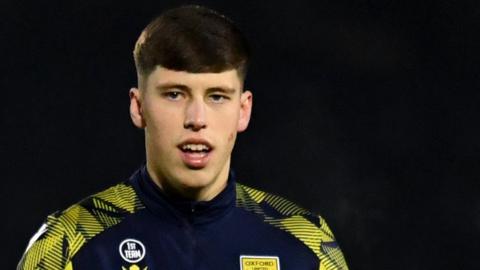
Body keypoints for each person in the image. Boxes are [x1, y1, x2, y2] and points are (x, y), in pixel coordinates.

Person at [18, 5, 348, 270]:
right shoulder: (68, 244)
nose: (197, 120)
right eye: (174, 94)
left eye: (217, 96)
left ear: (243, 109)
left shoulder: (307, 245)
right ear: (139, 106)